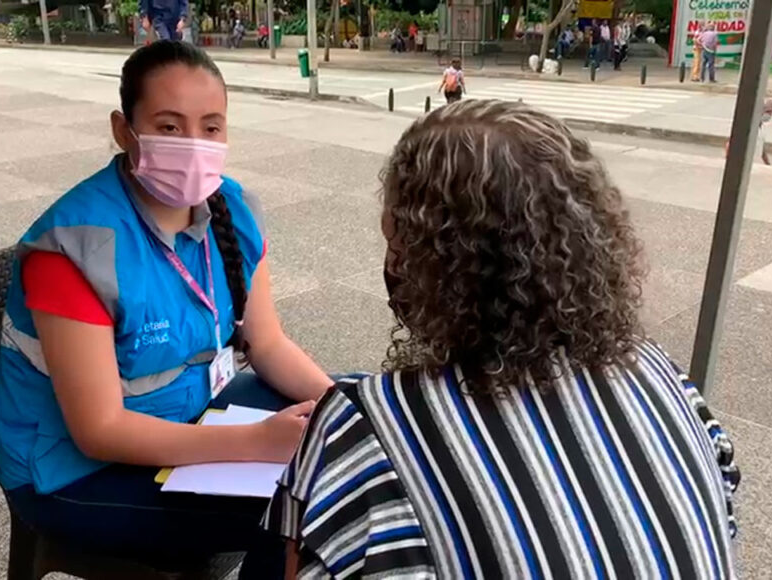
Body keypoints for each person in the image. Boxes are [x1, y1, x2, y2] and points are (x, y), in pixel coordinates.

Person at [261, 101, 741, 578]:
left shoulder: (367, 427)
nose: (392, 266)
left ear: (436, 268)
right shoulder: (662, 372)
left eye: (396, 245)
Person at [0, 41, 333, 576]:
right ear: (124, 131)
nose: (195, 144)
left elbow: (266, 343)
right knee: (298, 507)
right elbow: (98, 430)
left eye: (211, 126)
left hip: (193, 414)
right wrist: (255, 443)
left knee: (345, 423)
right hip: (77, 471)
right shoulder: (76, 246)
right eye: (169, 127)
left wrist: (345, 406)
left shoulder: (231, 208)